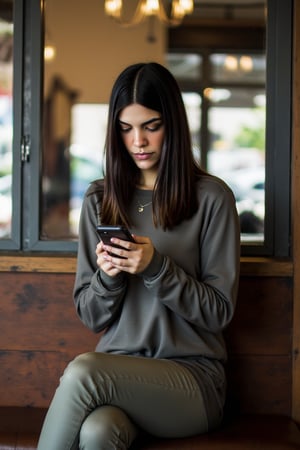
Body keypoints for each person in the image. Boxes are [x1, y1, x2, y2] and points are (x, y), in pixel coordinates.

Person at [37, 62, 240, 450]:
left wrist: (156, 268)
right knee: (97, 433)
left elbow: (219, 312)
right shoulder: (99, 199)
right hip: (117, 375)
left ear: (173, 126)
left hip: (190, 380)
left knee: (84, 371)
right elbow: (91, 315)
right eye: (126, 129)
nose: (138, 142)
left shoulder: (212, 198)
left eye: (151, 126)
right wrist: (109, 276)